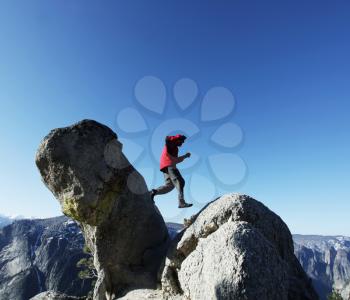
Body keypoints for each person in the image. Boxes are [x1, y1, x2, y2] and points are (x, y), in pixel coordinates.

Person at [150, 134, 193, 208]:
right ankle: (181, 202)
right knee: (180, 181)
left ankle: (153, 192)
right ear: (177, 140)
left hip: (165, 167)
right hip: (169, 166)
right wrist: (177, 137)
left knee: (170, 186)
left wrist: (185, 156)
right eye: (181, 141)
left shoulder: (175, 148)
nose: (182, 144)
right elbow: (167, 138)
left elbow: (176, 160)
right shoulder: (171, 143)